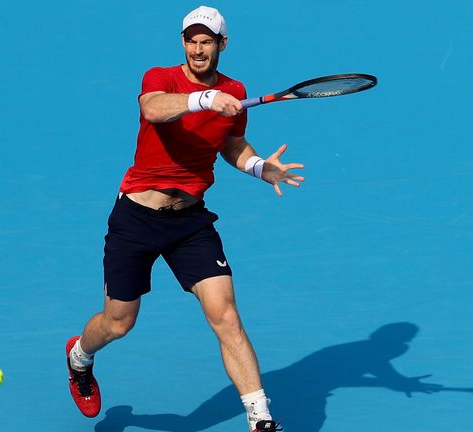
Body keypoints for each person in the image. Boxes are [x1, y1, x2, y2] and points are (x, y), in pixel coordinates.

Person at [65, 6, 302, 432]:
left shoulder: (236, 89)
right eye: (191, 40)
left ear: (222, 45)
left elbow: (232, 145)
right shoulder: (161, 78)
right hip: (136, 218)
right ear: (182, 43)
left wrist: (259, 167)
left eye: (206, 41)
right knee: (119, 322)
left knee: (227, 315)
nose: (198, 48)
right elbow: (155, 109)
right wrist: (205, 99)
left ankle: (260, 418)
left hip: (190, 222)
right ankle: (80, 356)